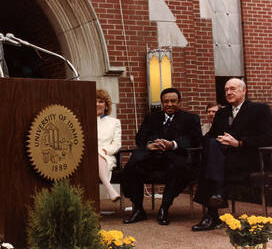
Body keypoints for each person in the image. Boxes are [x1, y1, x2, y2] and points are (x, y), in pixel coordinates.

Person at [192, 78, 272, 231]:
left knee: (211, 162)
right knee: (212, 145)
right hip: (223, 158)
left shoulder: (259, 109)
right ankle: (215, 199)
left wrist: (239, 143)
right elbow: (211, 135)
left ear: (244, 91)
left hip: (250, 158)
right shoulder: (222, 113)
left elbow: (268, 137)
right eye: (226, 90)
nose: (228, 92)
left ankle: (212, 213)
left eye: (233, 89)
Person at [122, 88, 202, 225]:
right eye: (166, 101)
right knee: (132, 166)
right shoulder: (151, 118)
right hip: (153, 157)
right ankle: (138, 209)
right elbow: (140, 137)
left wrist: (173, 144)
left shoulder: (190, 118)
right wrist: (149, 145)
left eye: (173, 101)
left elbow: (195, 140)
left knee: (177, 169)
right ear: (162, 103)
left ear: (179, 102)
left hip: (176, 158)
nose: (169, 104)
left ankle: (164, 208)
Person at [96, 89, 122, 202]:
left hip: (106, 156)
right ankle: (110, 189)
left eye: (100, 101)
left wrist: (105, 150)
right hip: (87, 157)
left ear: (106, 106)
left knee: (98, 155)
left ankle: (109, 189)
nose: (97, 104)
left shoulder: (114, 122)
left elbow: (117, 144)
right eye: (94, 101)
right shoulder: (84, 121)